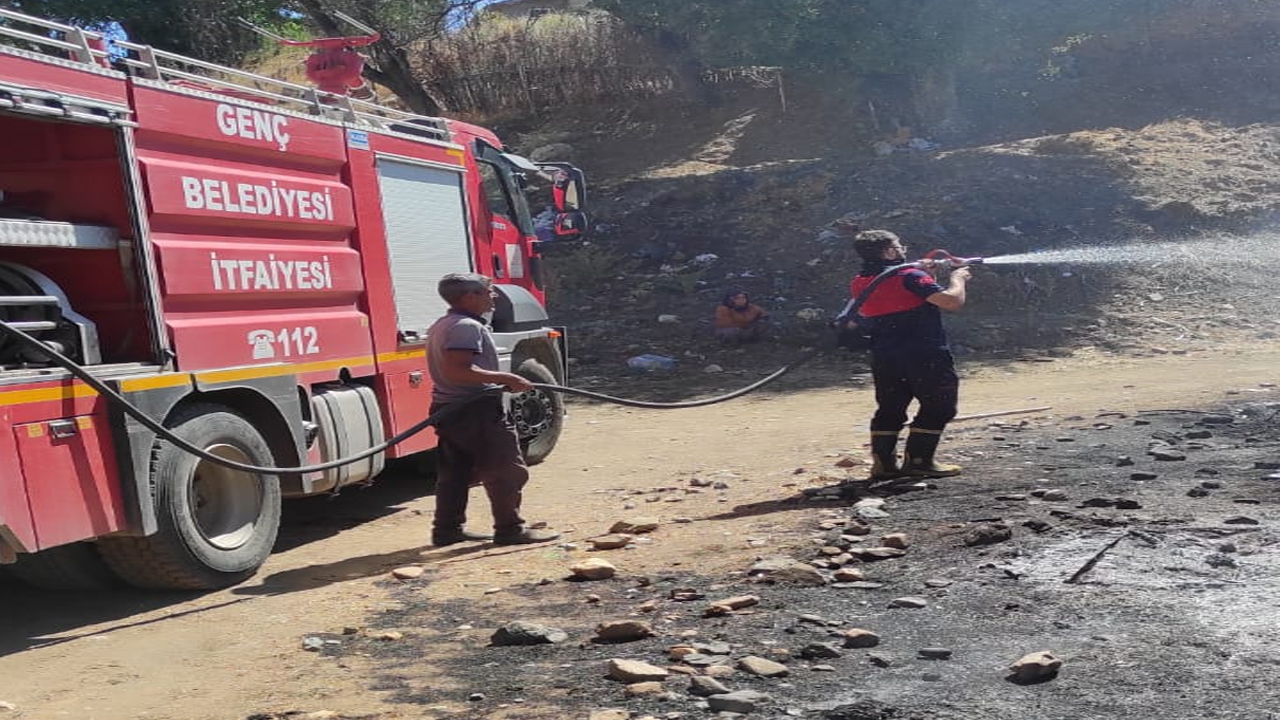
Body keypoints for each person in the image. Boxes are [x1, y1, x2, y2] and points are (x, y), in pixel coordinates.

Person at [425, 272, 561, 546]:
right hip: (475, 410)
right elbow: (458, 371)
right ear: (470, 296)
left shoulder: (444, 323)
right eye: (489, 291)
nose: (494, 296)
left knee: (455, 473)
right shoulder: (466, 327)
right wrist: (506, 378)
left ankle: (447, 530)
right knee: (506, 470)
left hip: (451, 409)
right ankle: (510, 529)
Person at [848, 230, 971, 479]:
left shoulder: (861, 282)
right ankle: (919, 461)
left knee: (890, 407)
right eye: (899, 246)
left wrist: (929, 276)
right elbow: (951, 302)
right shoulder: (910, 276)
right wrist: (959, 278)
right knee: (940, 406)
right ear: (889, 252)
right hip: (924, 353)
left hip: (885, 356)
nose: (903, 249)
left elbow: (901, 300)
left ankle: (883, 465)